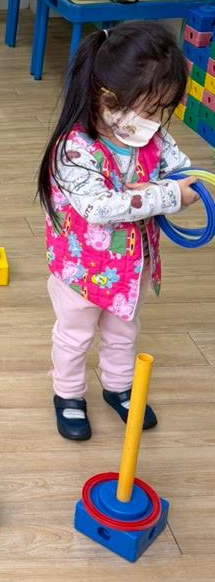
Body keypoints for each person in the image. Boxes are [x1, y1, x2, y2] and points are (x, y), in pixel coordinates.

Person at [36, 22, 197, 440]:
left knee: (124, 331)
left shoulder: (150, 137)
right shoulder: (75, 149)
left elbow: (182, 170)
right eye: (150, 110)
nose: (155, 122)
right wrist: (166, 196)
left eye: (162, 110)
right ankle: (68, 394)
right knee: (75, 335)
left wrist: (184, 186)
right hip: (80, 271)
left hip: (131, 265)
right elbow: (99, 207)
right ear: (108, 99)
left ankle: (119, 387)